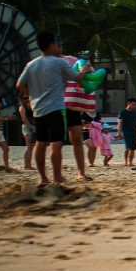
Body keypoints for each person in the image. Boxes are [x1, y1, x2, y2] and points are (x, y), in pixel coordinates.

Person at [15, 31, 82, 185]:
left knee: (40, 143)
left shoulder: (31, 64)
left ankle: (43, 178)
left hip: (38, 111)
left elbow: (19, 85)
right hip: (56, 109)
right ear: (51, 44)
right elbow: (76, 77)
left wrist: (31, 95)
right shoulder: (59, 62)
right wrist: (84, 71)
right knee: (56, 143)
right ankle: (57, 176)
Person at [61, 52, 97, 180]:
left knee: (76, 139)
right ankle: (56, 174)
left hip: (72, 104)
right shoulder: (47, 61)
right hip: (57, 104)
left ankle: (81, 173)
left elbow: (90, 74)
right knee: (55, 141)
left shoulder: (71, 59)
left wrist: (88, 68)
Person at [120, 96, 136, 167]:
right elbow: (120, 122)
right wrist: (119, 132)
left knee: (133, 148)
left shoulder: (135, 113)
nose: (134, 106)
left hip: (134, 131)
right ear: (128, 103)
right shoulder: (122, 112)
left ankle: (131, 162)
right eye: (133, 104)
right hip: (126, 131)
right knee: (128, 147)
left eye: (135, 105)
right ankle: (125, 161)